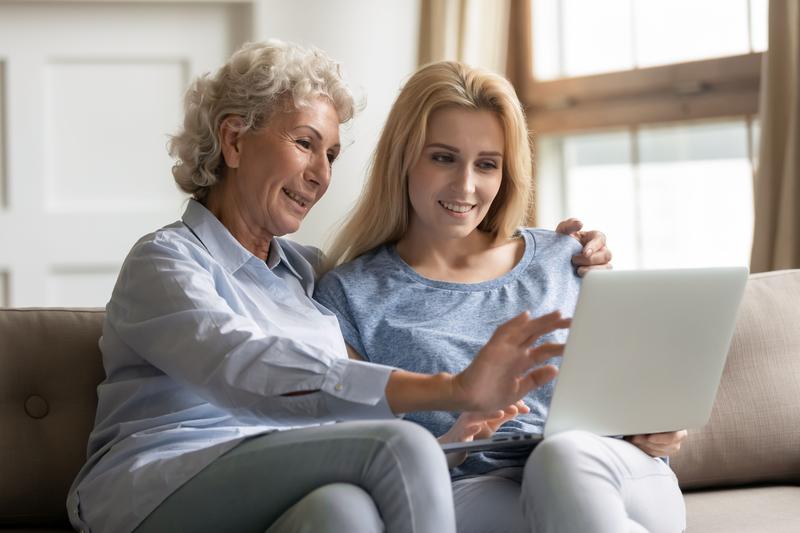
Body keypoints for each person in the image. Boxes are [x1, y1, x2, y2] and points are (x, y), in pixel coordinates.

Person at [66, 41, 604, 533]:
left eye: (331, 156)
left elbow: (342, 414)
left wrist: (454, 441)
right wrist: (451, 388)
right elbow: (245, 367)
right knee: (402, 446)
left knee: (344, 512)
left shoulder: (307, 275)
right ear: (233, 140)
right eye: (305, 144)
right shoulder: (164, 261)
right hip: (164, 483)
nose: (321, 174)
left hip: (279, 473)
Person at [315, 61, 688, 533]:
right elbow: (356, 455)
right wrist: (456, 438)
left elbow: (634, 389)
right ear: (403, 157)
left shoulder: (564, 258)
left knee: (563, 456)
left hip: (614, 472)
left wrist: (654, 425)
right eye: (443, 157)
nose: (465, 186)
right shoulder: (349, 296)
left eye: (486, 164)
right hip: (474, 489)